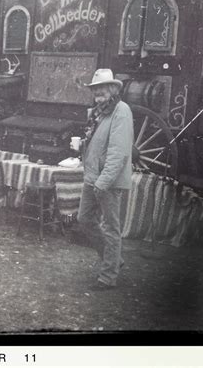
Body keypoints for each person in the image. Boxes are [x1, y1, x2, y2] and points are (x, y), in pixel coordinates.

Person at [76, 69, 133, 290]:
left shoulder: (121, 111)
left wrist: (103, 181)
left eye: (102, 91)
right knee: (84, 220)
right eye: (95, 91)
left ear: (113, 90)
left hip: (108, 181)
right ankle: (115, 260)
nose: (98, 95)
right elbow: (98, 143)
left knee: (111, 227)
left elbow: (119, 153)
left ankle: (108, 276)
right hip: (92, 177)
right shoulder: (99, 112)